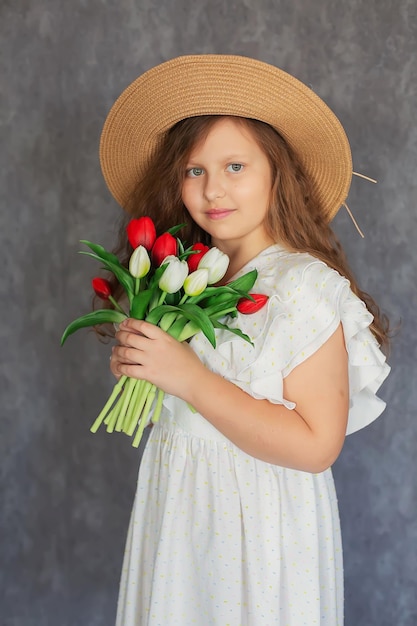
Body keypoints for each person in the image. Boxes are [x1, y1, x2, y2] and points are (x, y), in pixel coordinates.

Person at [98, 55, 390, 625]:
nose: (213, 190)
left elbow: (315, 445)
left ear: (277, 171)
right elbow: (186, 395)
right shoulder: (190, 271)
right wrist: (148, 367)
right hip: (181, 515)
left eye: (235, 166)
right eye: (194, 170)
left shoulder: (302, 287)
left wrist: (188, 377)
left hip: (257, 539)